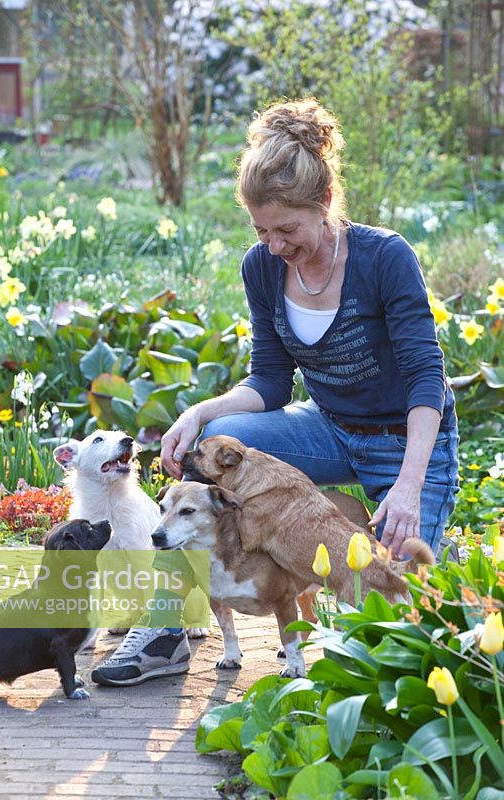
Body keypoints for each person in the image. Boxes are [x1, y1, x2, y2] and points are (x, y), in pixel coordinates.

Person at [91, 98, 459, 688]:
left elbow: (424, 378)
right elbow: (268, 379)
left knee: (396, 601)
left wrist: (410, 485)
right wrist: (200, 412)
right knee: (206, 449)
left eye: (286, 229)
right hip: (326, 425)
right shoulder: (262, 267)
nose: (274, 245)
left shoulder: (384, 257)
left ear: (325, 206)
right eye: (262, 230)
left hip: (407, 441)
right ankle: (164, 632)